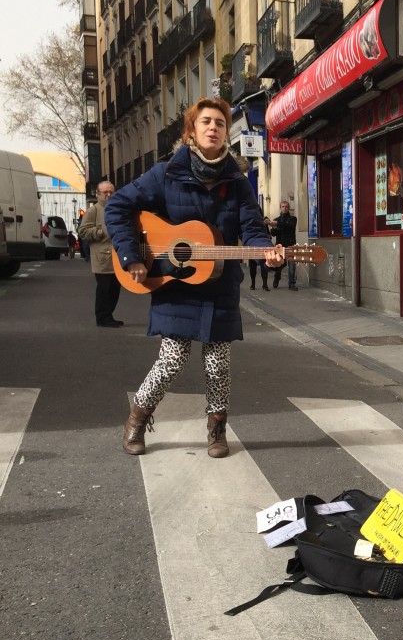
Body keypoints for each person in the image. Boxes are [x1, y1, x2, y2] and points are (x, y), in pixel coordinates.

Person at [105, 97, 283, 459]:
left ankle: (216, 430)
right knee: (170, 362)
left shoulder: (237, 181)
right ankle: (137, 420)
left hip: (220, 286)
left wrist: (267, 252)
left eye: (220, 122)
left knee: (218, 366)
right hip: (175, 281)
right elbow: (118, 206)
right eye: (206, 122)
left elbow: (251, 228)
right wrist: (130, 256)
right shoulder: (167, 172)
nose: (214, 127)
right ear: (193, 130)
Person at [77, 180, 123, 328]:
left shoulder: (118, 208)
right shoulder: (94, 211)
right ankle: (102, 317)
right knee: (104, 289)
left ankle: (109, 315)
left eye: (111, 192)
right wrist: (100, 232)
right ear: (98, 194)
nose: (109, 195)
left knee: (115, 289)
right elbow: (83, 231)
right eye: (105, 193)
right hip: (102, 258)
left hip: (117, 257)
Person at [268, 200, 297, 290]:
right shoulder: (276, 220)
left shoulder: (292, 219)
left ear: (288, 208)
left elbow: (289, 227)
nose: (284, 208)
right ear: (280, 208)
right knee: (278, 265)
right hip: (280, 246)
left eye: (286, 207)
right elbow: (273, 233)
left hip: (290, 245)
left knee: (292, 266)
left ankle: (291, 284)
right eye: (283, 206)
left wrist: (277, 224)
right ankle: (277, 278)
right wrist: (273, 227)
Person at [249, 216, 272, 291]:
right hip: (252, 247)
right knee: (252, 267)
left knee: (264, 266)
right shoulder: (250, 223)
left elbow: (268, 234)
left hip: (262, 247)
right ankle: (253, 283)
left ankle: (265, 284)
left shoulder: (263, 223)